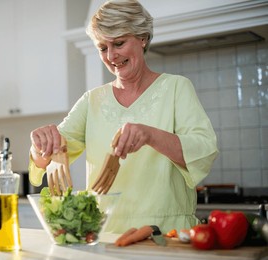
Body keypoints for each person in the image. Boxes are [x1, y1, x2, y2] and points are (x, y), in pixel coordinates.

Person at [28, 0, 218, 234]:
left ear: (142, 37)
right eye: (102, 48)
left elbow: (204, 151)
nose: (111, 56)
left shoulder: (176, 88)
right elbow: (49, 156)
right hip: (106, 233)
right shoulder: (92, 100)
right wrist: (41, 145)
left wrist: (149, 134)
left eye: (118, 43)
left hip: (166, 233)